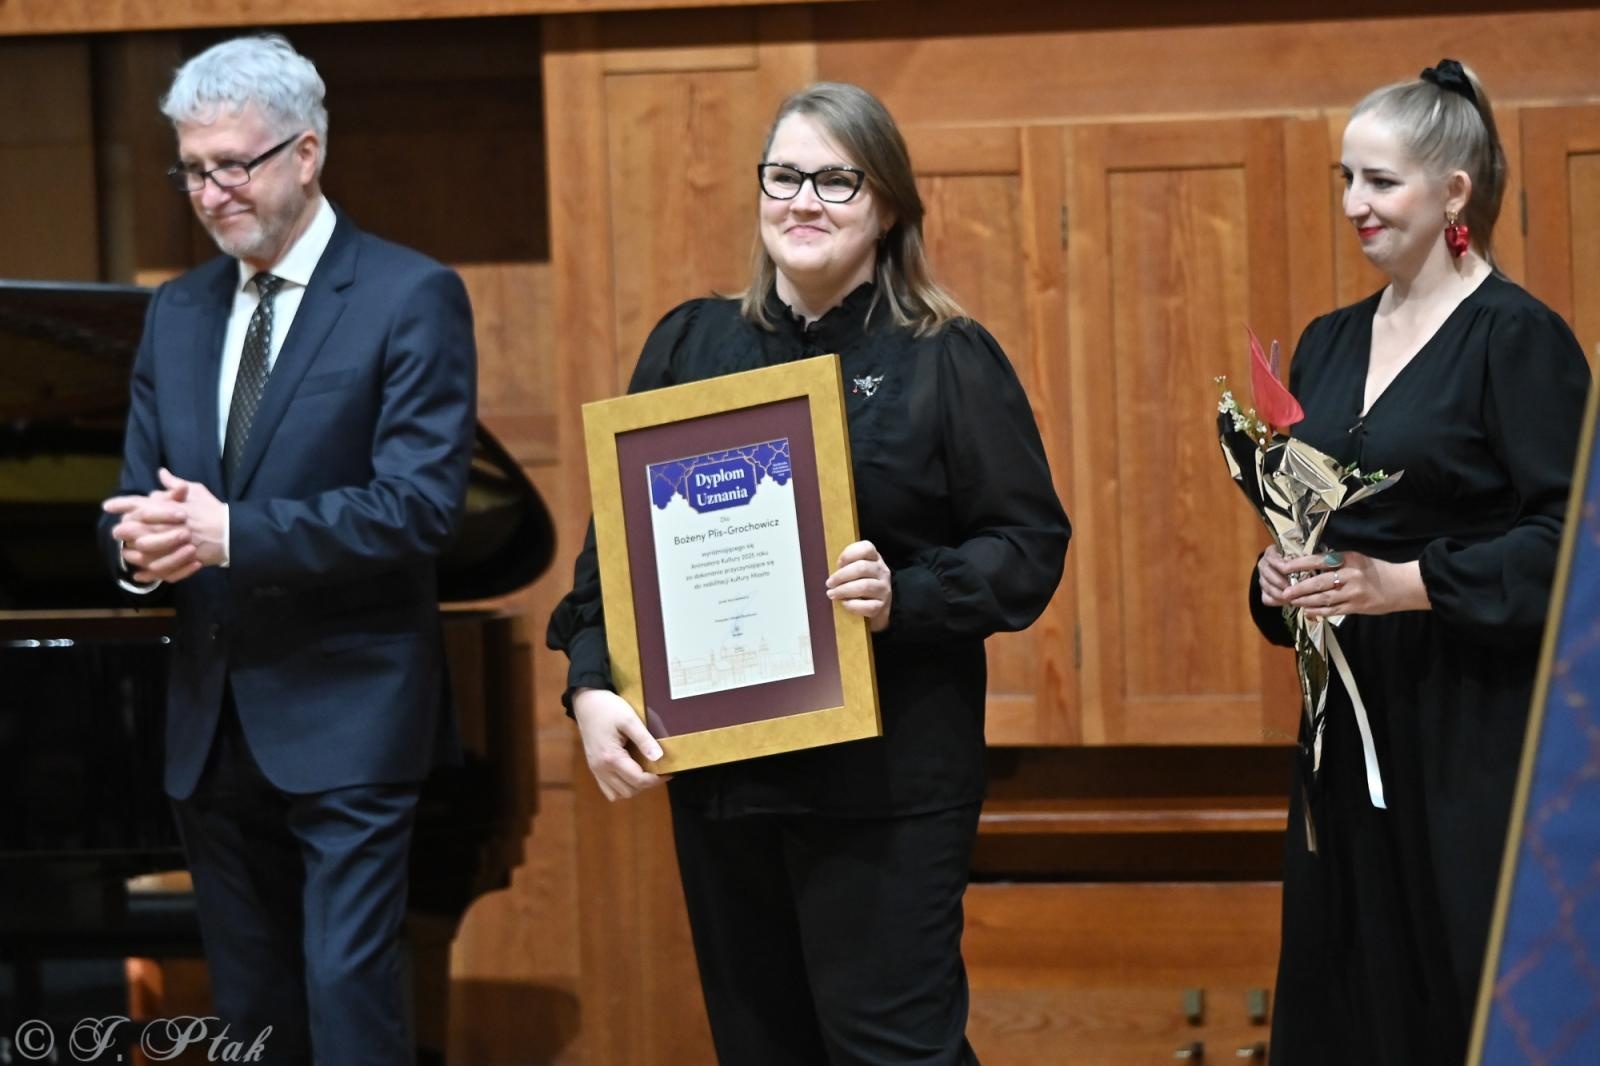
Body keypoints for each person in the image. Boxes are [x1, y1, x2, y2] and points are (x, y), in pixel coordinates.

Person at [548, 82, 1069, 1064]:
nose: (804, 200)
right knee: (762, 1048)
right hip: (725, 781)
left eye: (837, 179)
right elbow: (611, 559)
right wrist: (589, 681)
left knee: (889, 1049)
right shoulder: (688, 344)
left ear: (888, 205)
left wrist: (901, 595)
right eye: (784, 175)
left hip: (886, 784)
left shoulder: (945, 358)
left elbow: (1027, 546)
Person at [99, 34, 477, 1065]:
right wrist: (140, 547)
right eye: (191, 168)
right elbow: (130, 502)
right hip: (210, 724)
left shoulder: (409, 295)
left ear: (304, 153)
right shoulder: (175, 312)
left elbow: (417, 507)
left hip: (350, 714)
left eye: (234, 164)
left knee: (350, 996)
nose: (211, 192)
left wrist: (232, 533)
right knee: (251, 1013)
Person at [1250, 59, 1590, 1066]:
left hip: (1468, 733)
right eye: (1343, 179)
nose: (1354, 205)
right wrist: (1278, 579)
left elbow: (1571, 541)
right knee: (1346, 997)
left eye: (1380, 182)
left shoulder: (1518, 339)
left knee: (1461, 996)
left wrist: (1411, 583)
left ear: (1454, 191)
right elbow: (1300, 520)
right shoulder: (1325, 340)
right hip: (1344, 734)